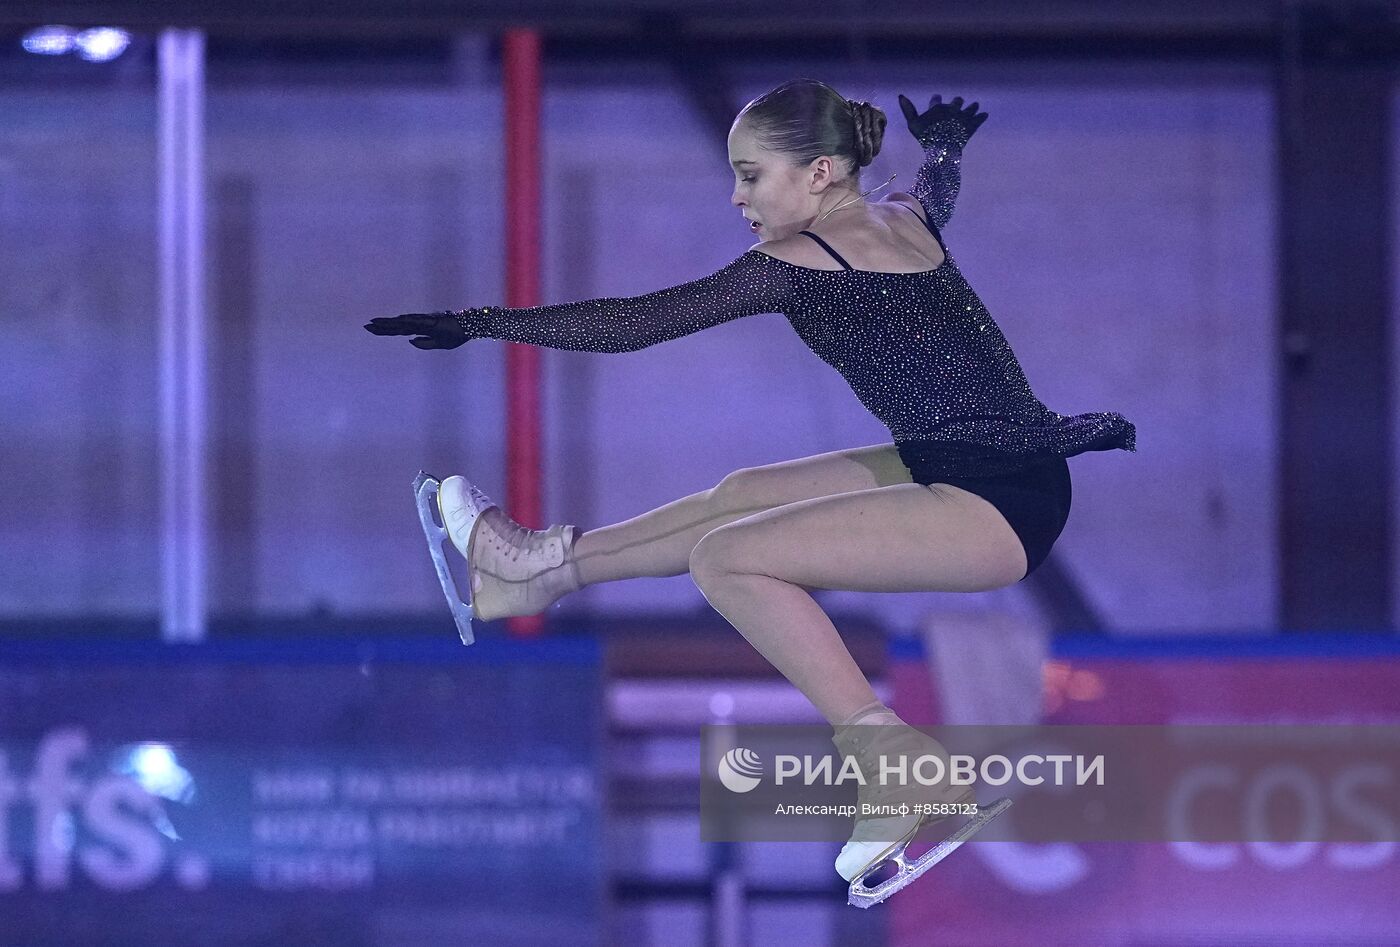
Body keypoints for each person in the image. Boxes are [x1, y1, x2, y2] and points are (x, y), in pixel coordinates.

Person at [365, 78, 1136, 899]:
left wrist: (482, 321)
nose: (736, 196)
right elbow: (932, 190)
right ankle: (540, 568)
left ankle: (894, 760)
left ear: (820, 171)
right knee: (741, 494)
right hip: (978, 462)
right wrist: (944, 149)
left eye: (751, 175)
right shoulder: (899, 217)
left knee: (728, 558)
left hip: (998, 504)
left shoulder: (800, 263)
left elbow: (643, 320)